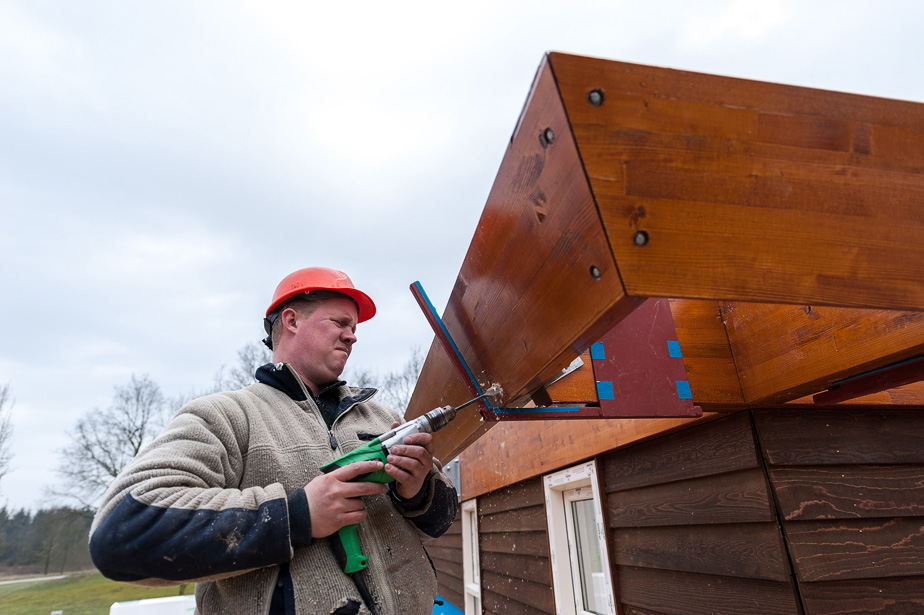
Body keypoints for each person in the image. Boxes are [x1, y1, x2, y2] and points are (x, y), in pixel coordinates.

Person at [89, 267, 458, 615]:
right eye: (340, 322)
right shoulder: (226, 416)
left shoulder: (382, 418)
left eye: (355, 327)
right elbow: (123, 531)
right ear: (292, 320)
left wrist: (418, 490)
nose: (352, 335)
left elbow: (441, 522)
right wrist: (297, 514)